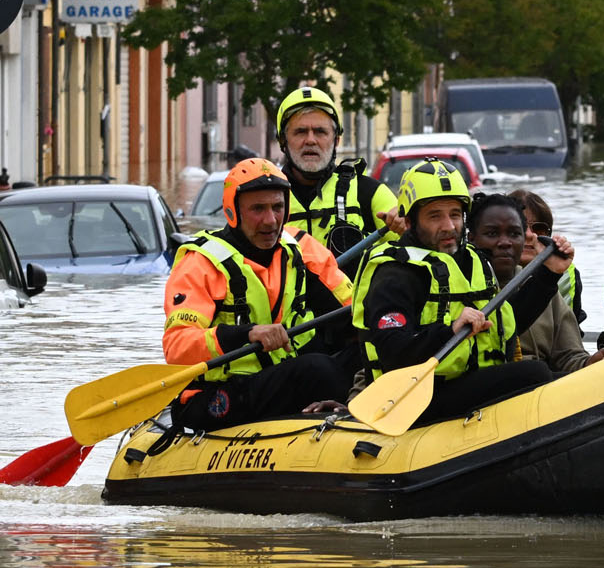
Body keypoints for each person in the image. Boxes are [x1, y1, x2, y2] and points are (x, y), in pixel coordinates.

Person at [352, 160, 576, 426]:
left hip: (466, 384)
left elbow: (506, 323)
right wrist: (449, 330)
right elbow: (392, 349)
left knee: (552, 378)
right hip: (413, 398)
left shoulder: (472, 261)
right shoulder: (395, 274)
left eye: (455, 214)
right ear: (410, 221)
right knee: (535, 373)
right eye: (435, 216)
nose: (448, 226)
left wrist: (549, 274)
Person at [162, 157, 355, 431]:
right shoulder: (200, 263)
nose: (270, 220)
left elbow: (355, 313)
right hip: (216, 394)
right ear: (233, 212)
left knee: (366, 350)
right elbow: (177, 348)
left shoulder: (301, 248)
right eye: (258, 209)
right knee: (317, 370)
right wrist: (247, 334)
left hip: (279, 378)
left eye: (277, 207)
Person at [470, 192, 604, 375]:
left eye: (514, 233)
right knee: (536, 371)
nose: (530, 236)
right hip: (499, 386)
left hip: (546, 387)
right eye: (493, 233)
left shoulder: (550, 288)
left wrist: (593, 363)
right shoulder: (465, 286)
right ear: (471, 238)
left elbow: (570, 357)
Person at [274, 84, 404, 256]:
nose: (310, 140)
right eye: (300, 132)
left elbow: (416, 249)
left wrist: (405, 225)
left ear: (336, 140)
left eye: (320, 131)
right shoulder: (266, 196)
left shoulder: (368, 193)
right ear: (283, 140)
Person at [512, 188, 585, 326]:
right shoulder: (486, 270)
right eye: (519, 227)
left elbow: (572, 332)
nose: (530, 235)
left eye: (539, 229)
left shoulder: (567, 273)